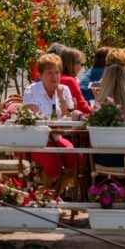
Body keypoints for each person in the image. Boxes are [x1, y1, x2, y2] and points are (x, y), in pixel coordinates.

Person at [22, 53, 80, 186]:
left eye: (57, 72)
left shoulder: (64, 90)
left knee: (78, 161)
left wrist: (61, 98)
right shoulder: (32, 90)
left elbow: (70, 116)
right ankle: (47, 195)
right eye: (49, 73)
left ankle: (50, 194)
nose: (54, 76)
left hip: (57, 137)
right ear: (40, 75)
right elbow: (34, 116)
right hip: (37, 140)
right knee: (53, 163)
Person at [57, 47, 91, 115]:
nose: (81, 66)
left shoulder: (58, 78)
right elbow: (82, 107)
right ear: (72, 64)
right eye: (80, 63)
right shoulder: (69, 80)